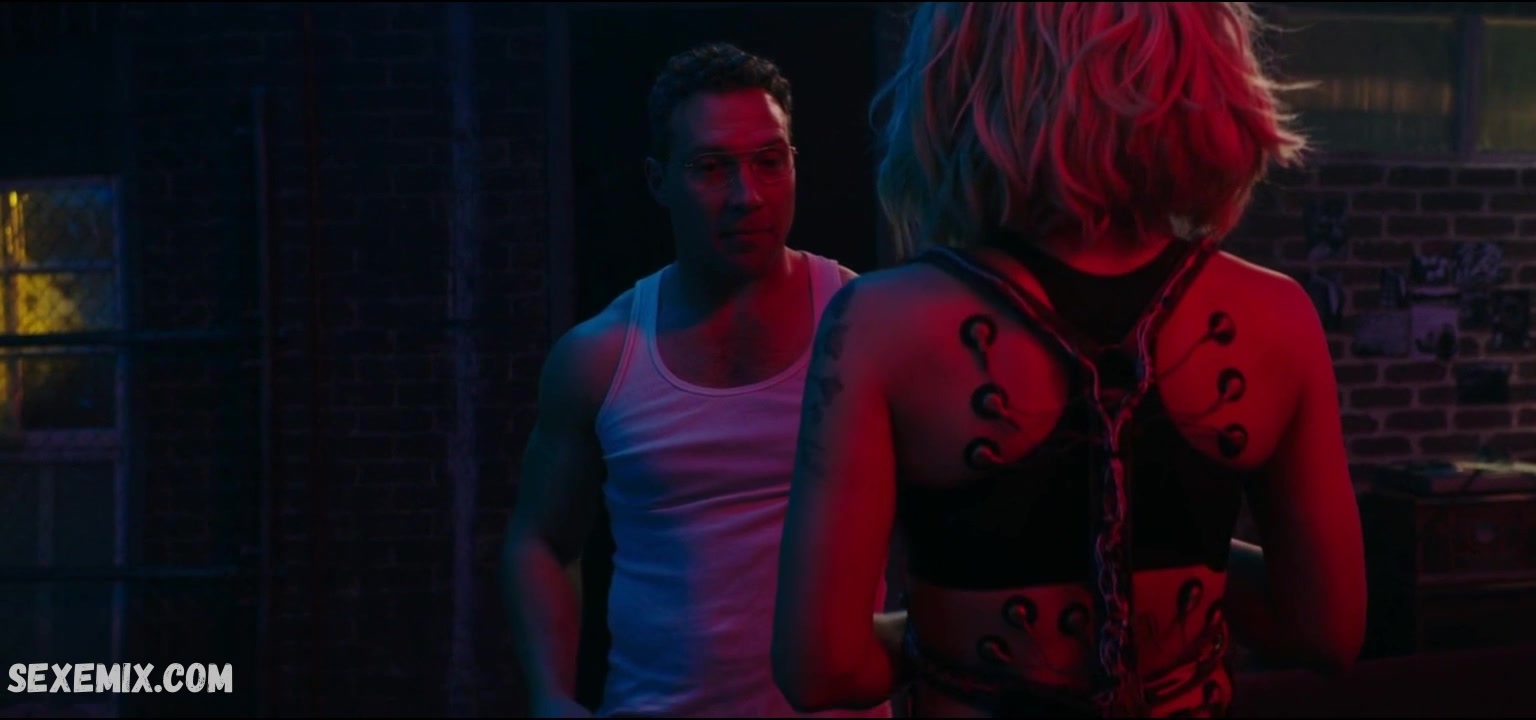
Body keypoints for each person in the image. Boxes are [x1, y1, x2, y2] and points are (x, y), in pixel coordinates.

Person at [771, 3, 1367, 717]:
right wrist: (1187, 562)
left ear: (959, 76)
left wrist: (943, 631)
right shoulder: (1273, 316)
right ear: (1201, 72)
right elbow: (1326, 629)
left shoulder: (880, 323)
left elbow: (822, 667)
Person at [503, 42, 891, 719]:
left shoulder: (861, 327)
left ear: (794, 165)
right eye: (712, 168)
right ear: (659, 182)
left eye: (769, 161)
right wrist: (551, 697)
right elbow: (541, 542)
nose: (747, 196)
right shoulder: (601, 356)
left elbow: (934, 531)